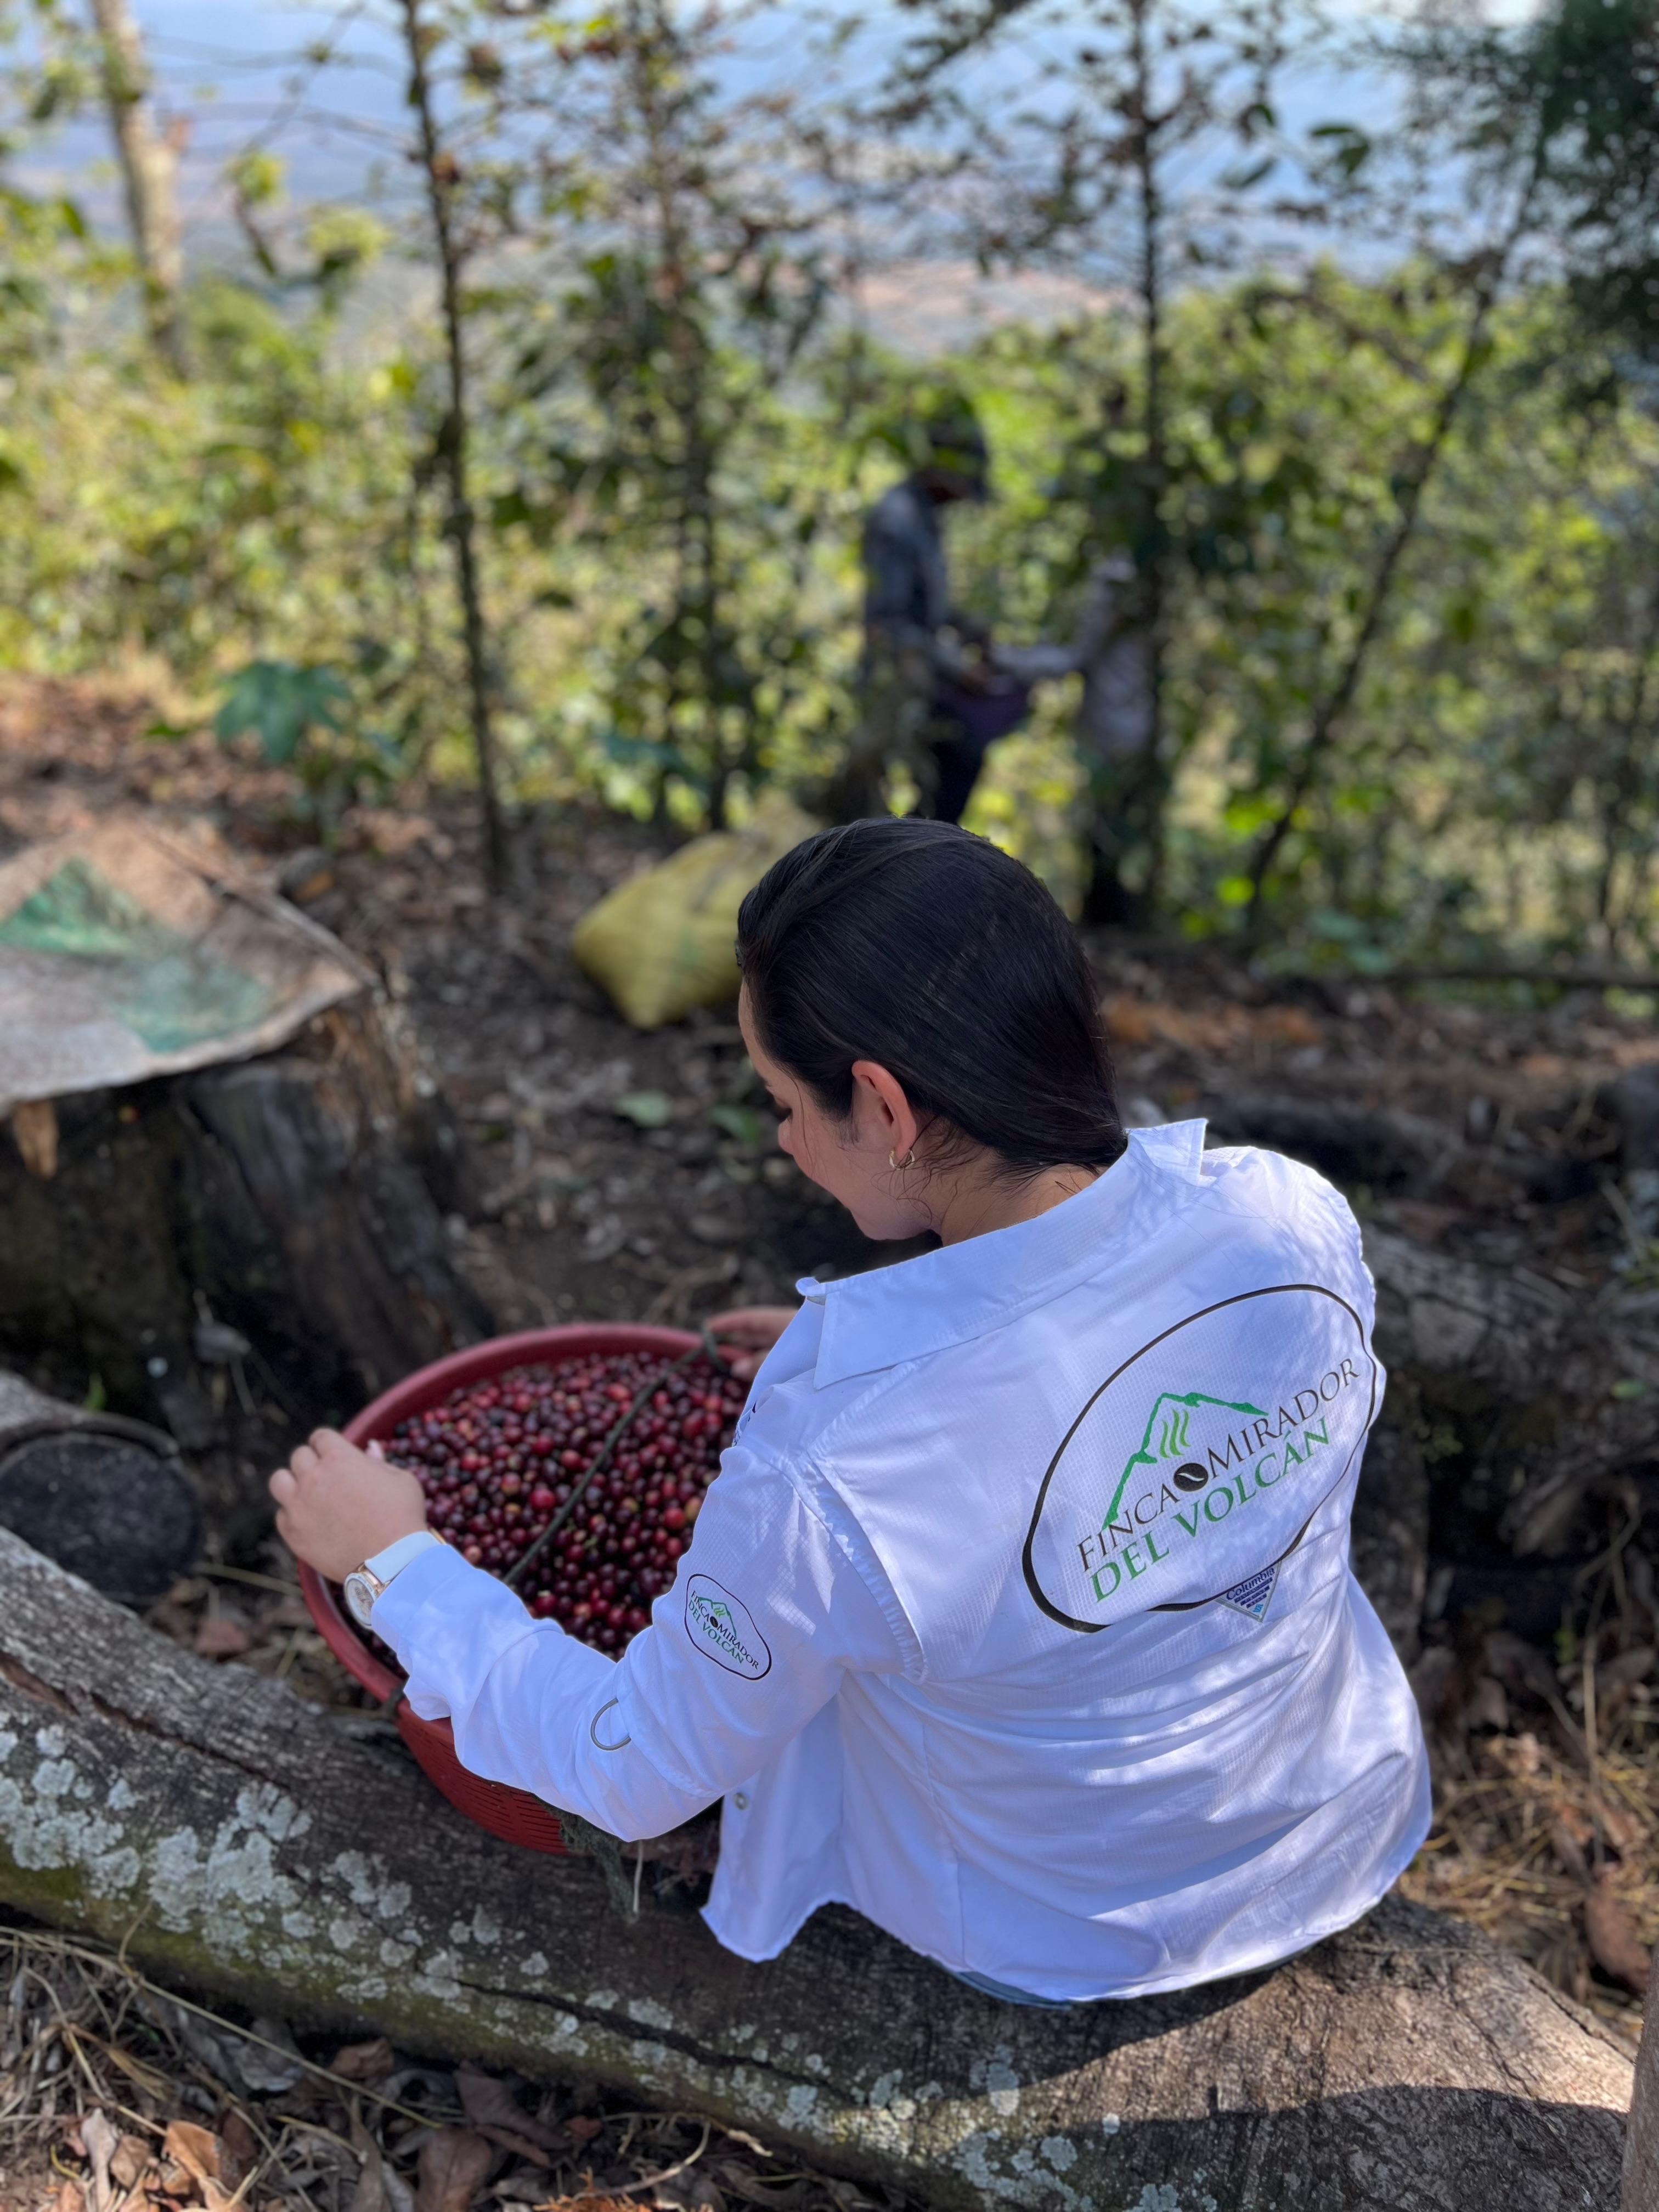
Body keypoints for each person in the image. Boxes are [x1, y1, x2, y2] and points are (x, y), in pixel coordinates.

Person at [269, 820, 1430, 2005]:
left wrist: (396, 1564)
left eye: (780, 1100)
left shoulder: (834, 1463)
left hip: (1074, 1925)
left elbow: (632, 1768)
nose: (779, 1137)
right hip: (1332, 1814)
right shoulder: (1287, 1219)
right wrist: (895, 1353)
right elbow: (1102, 1382)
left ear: (880, 1104)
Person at [851, 400, 1032, 826]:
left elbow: (929, 605)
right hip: (896, 682)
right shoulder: (898, 519)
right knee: (914, 782)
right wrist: (956, 667)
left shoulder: (924, 516)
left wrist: (973, 631)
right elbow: (891, 621)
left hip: (922, 673)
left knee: (957, 768)